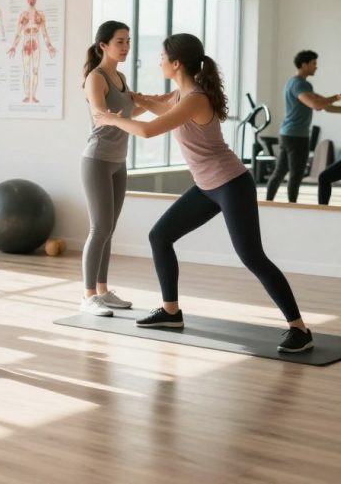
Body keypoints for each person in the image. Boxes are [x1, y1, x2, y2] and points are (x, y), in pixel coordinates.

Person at [94, 34, 313, 353]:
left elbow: (149, 130)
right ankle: (170, 312)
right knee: (160, 236)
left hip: (231, 184)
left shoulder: (195, 98)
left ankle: (299, 329)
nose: (159, 61)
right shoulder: (181, 93)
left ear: (176, 63)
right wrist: (135, 98)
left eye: (162, 57)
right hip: (207, 187)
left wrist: (110, 117)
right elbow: (160, 106)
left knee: (252, 256)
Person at [79, 20, 143, 316]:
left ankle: (103, 290)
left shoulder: (120, 77)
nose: (126, 46)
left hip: (119, 161)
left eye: (128, 41)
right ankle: (88, 295)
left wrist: (160, 102)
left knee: (109, 229)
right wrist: (112, 115)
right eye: (120, 41)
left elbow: (128, 110)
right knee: (99, 227)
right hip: (97, 160)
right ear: (102, 45)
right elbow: (99, 113)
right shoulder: (97, 76)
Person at [265, 50, 341, 203]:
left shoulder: (295, 83)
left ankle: (267, 203)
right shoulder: (300, 84)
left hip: (287, 134)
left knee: (280, 171)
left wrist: (333, 100)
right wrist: (336, 97)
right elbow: (316, 105)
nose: (316, 67)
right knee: (296, 173)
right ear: (304, 65)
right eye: (314, 63)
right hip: (297, 136)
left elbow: (325, 105)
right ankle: (292, 205)